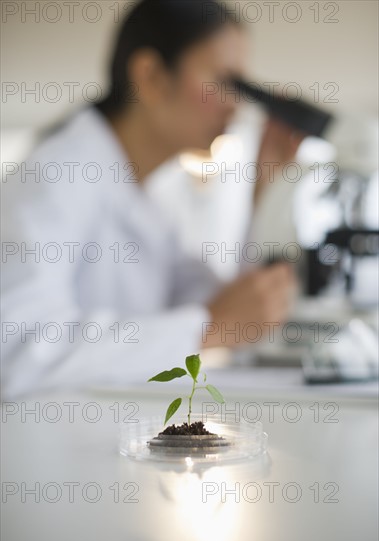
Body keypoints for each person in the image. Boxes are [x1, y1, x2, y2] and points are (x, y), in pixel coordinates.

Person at [1, 0, 300, 398]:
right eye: (224, 81)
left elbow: (223, 306)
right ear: (152, 76)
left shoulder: (152, 189)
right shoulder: (58, 171)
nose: (234, 103)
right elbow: (18, 350)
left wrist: (265, 188)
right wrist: (207, 326)